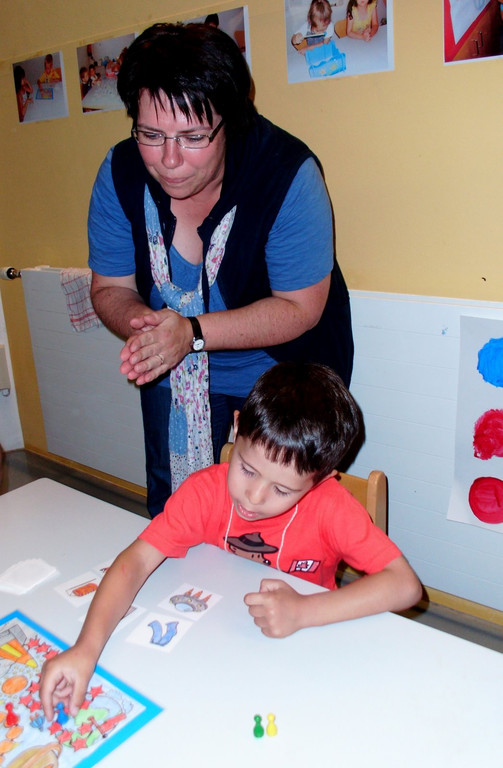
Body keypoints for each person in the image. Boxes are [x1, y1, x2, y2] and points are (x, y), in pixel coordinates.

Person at [39, 362, 421, 719]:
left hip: (301, 656)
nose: (253, 498)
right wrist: (85, 649)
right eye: (247, 469)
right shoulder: (203, 493)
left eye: (281, 490)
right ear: (236, 429)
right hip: (214, 653)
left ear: (320, 479)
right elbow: (134, 562)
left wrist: (304, 612)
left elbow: (405, 586)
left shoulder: (331, 508)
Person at [88, 22, 354, 517]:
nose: (169, 160)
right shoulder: (120, 172)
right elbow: (110, 288)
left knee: (270, 525)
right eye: (151, 134)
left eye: (193, 136)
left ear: (230, 119)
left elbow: (300, 308)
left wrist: (188, 333)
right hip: (173, 373)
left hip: (278, 376)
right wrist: (152, 333)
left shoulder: (285, 173)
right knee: (175, 508)